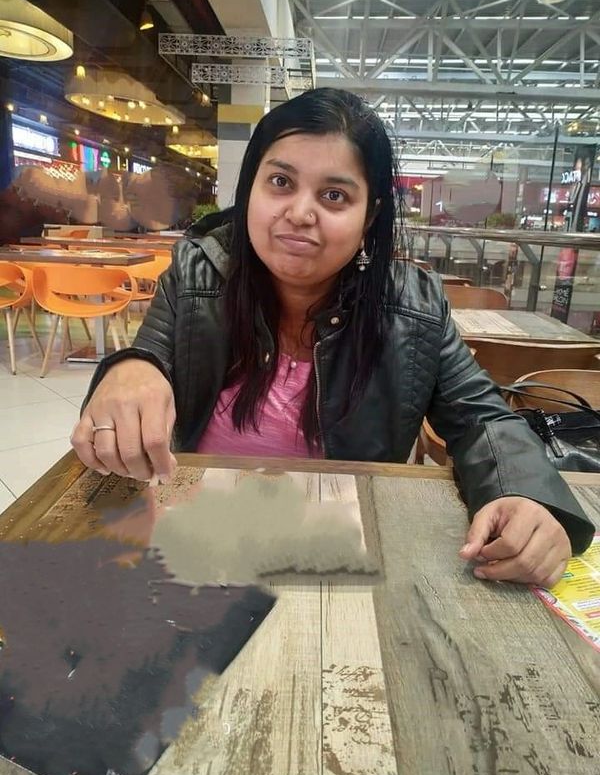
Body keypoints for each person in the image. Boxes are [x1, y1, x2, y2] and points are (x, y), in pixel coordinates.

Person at [72, 88, 594, 587]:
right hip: (197, 540)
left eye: (334, 195)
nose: (300, 212)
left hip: (345, 549)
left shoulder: (413, 307)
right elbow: (151, 358)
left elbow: (482, 418)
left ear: (370, 218)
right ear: (249, 188)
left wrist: (527, 497)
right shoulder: (196, 274)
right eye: (280, 182)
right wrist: (126, 370)